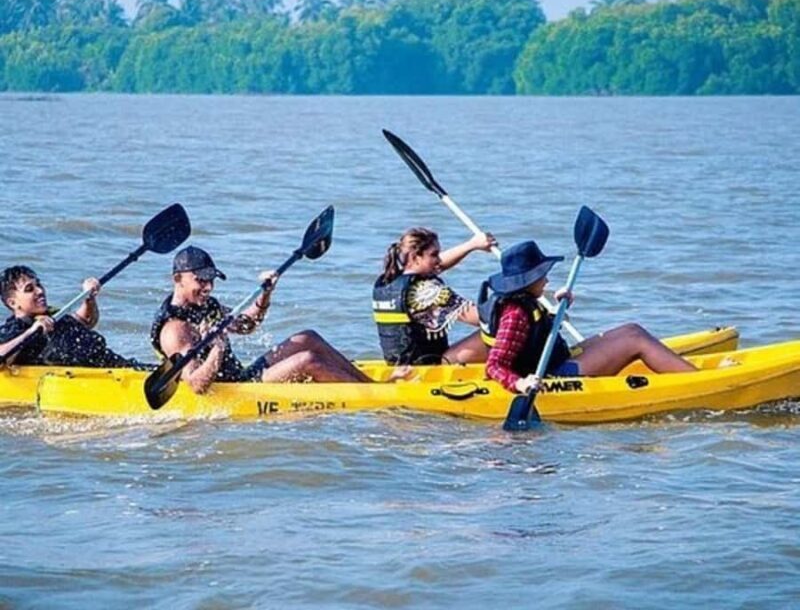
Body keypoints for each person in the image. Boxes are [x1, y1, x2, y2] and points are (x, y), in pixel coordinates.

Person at [479, 240, 696, 394]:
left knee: (633, 329)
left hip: (557, 359)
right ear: (528, 281)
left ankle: (694, 376)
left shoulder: (525, 302)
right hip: (550, 377)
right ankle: (699, 382)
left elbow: (534, 336)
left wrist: (558, 310)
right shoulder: (515, 315)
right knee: (635, 341)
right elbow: (494, 365)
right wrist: (520, 384)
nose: (546, 280)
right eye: (542, 275)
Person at [152, 246, 376, 394]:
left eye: (211, 280)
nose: (208, 287)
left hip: (241, 377)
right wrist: (217, 350)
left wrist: (266, 294)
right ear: (177, 279)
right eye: (201, 280)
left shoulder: (205, 305)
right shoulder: (174, 330)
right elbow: (197, 385)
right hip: (232, 391)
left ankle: (373, 387)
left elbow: (246, 325)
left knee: (307, 338)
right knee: (307, 360)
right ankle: (376, 398)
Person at [372, 228, 497, 365]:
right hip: (428, 366)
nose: (439, 260)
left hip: (401, 363)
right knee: (501, 326)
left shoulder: (389, 281)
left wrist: (472, 245)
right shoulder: (427, 292)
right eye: (434, 254)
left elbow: (438, 265)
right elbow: (486, 319)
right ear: (415, 257)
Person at [0, 265, 142, 368]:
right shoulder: (14, 328)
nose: (40, 291)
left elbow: (86, 321)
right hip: (83, 379)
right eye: (29, 289)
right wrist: (32, 331)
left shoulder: (54, 315)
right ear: (12, 303)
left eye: (39, 285)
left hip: (113, 365)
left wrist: (89, 298)